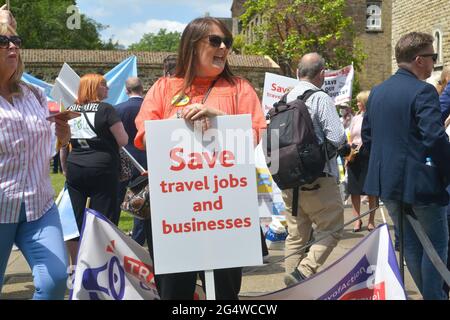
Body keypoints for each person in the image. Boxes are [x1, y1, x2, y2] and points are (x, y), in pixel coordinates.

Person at [134, 17, 266, 300]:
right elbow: (145, 134)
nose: (223, 48)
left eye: (226, 42)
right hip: (175, 214)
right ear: (192, 46)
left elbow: (254, 134)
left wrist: (219, 118)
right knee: (174, 291)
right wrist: (180, 119)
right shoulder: (163, 88)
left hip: (225, 211)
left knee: (225, 293)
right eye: (215, 41)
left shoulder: (240, 88)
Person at [362, 32, 450, 300]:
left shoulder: (377, 91)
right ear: (419, 60)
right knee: (435, 245)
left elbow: (367, 138)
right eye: (433, 57)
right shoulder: (423, 90)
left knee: (411, 244)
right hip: (421, 185)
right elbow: (434, 137)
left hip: (387, 184)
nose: (434, 63)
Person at [0, 15, 70, 299]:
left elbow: (56, 143)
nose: (13, 47)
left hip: (39, 206)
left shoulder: (35, 94)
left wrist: (63, 132)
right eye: (3, 41)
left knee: (54, 282)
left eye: (16, 41)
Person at [282, 53, 346, 286]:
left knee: (296, 236)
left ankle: (291, 289)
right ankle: (304, 272)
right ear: (322, 74)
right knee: (332, 229)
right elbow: (337, 137)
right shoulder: (320, 97)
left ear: (298, 72)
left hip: (289, 178)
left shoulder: (284, 98)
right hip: (318, 179)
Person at [63, 74, 128, 265]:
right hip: (103, 168)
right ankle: (101, 264)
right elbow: (123, 140)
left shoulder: (71, 109)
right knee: (102, 218)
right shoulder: (106, 109)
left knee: (75, 218)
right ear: (93, 88)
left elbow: (64, 141)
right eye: (103, 85)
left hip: (76, 166)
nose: (107, 88)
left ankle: (75, 264)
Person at [115, 77, 148, 245]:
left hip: (123, 161)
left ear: (126, 91)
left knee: (115, 204)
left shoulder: (117, 109)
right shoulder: (149, 108)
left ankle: (112, 239)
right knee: (141, 204)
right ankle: (138, 240)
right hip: (145, 160)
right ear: (142, 89)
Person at [346, 90, 377, 232]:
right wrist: (348, 156)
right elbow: (351, 137)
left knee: (371, 190)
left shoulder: (373, 117)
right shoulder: (355, 118)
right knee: (354, 190)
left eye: (359, 101)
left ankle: (371, 221)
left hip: (369, 153)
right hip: (355, 154)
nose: (357, 103)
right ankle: (357, 220)